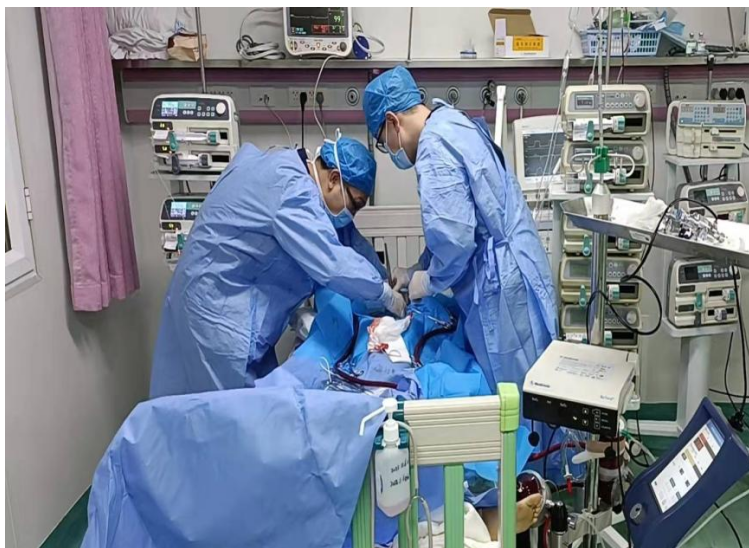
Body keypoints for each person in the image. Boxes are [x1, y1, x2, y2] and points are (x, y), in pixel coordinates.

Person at [149, 137, 405, 398]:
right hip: (217, 316)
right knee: (224, 410)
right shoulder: (291, 191)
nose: (352, 215)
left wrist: (383, 277)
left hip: (212, 298)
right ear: (333, 179)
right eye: (356, 204)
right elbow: (333, 263)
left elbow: (346, 238)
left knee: (256, 403)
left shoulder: (282, 166)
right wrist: (382, 293)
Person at [363, 66, 557, 391]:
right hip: (519, 261)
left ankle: (529, 428)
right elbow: (461, 221)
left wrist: (429, 281)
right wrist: (415, 270)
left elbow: (456, 240)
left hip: (501, 287)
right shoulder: (452, 122)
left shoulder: (433, 148)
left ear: (393, 121)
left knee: (518, 392)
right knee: (538, 378)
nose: (391, 151)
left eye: (385, 143)